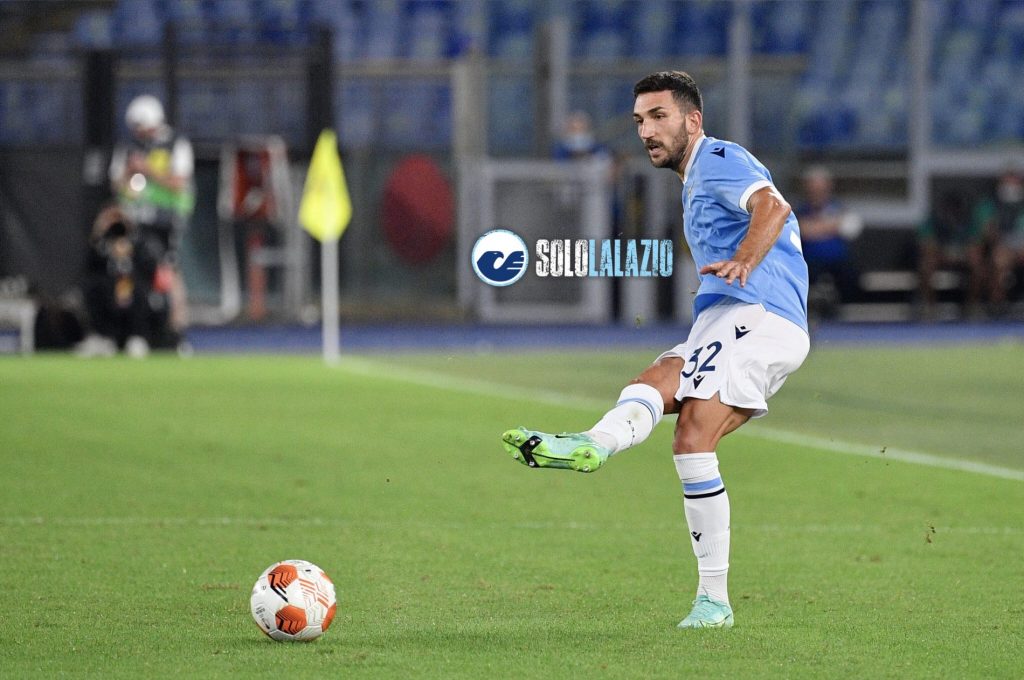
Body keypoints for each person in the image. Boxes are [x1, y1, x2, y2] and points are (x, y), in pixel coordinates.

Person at [500, 71, 809, 629]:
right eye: (640, 120)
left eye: (659, 116)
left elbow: (773, 206)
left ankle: (714, 602)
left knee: (693, 438)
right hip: (727, 317)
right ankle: (592, 443)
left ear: (693, 119)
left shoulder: (717, 158)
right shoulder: (695, 178)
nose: (646, 130)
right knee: (654, 382)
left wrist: (745, 259)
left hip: (759, 314)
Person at [109, 94, 195, 350]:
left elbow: (179, 183)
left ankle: (175, 332)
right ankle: (135, 332)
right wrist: (129, 172)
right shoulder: (128, 147)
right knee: (130, 274)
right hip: (135, 221)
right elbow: (116, 183)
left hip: (167, 220)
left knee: (168, 273)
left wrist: (147, 169)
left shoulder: (175, 144)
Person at [793, 165, 862, 317]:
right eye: (813, 187)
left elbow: (851, 228)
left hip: (839, 261)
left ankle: (847, 316)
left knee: (851, 275)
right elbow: (801, 230)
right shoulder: (799, 210)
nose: (817, 191)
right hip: (809, 261)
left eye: (821, 187)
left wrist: (814, 228)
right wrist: (832, 226)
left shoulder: (839, 207)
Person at [917, 191, 984, 319]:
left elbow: (976, 246)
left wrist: (960, 254)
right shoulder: (932, 221)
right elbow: (927, 247)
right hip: (940, 256)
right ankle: (929, 307)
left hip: (963, 257)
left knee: (978, 264)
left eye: (955, 208)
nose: (952, 212)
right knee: (926, 265)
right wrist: (945, 254)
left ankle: (972, 306)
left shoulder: (969, 222)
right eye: (948, 208)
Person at [974, 169, 1024, 315]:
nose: (1011, 187)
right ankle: (997, 306)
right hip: (1000, 247)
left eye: (1014, 183)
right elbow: (988, 233)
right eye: (1007, 183)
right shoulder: (989, 205)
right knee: (998, 260)